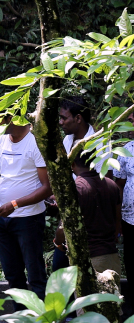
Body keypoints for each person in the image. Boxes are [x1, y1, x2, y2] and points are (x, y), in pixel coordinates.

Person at [0, 115, 52, 305]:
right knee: (12, 274)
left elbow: (47, 187)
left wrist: (15, 204)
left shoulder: (35, 143)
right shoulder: (1, 141)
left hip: (29, 218)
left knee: (35, 272)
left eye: (3, 119)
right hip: (3, 219)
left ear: (15, 118)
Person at [52, 96, 108, 272]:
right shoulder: (67, 141)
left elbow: (104, 181)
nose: (61, 122)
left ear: (78, 118)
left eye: (64, 118)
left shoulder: (100, 143)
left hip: (91, 217)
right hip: (69, 212)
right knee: (60, 268)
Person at [53, 151, 122, 274]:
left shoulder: (75, 189)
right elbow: (117, 218)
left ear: (72, 163)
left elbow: (63, 228)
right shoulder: (112, 185)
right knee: (112, 292)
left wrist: (58, 243)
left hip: (87, 260)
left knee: (87, 294)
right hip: (111, 256)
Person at [113, 111, 134, 320]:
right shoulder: (126, 152)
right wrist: (118, 220)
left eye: (133, 116)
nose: (129, 119)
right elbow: (119, 186)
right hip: (131, 220)